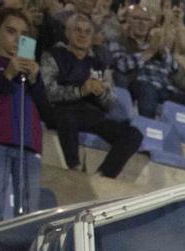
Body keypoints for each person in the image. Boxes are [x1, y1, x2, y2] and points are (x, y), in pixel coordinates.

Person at [40, 11, 142, 179]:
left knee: (133, 134)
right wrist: (81, 91)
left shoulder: (99, 64)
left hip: (90, 115)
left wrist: (101, 93)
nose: (82, 35)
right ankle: (74, 168)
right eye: (77, 30)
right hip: (62, 111)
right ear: (67, 33)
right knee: (68, 117)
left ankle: (102, 176)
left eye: (87, 31)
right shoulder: (53, 56)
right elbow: (48, 92)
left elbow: (110, 103)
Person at [0, 8, 44, 222]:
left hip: (29, 146)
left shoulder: (32, 71)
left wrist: (35, 80)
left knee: (28, 214)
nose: (17, 39)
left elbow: (48, 112)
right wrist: (7, 74)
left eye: (23, 35)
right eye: (11, 31)